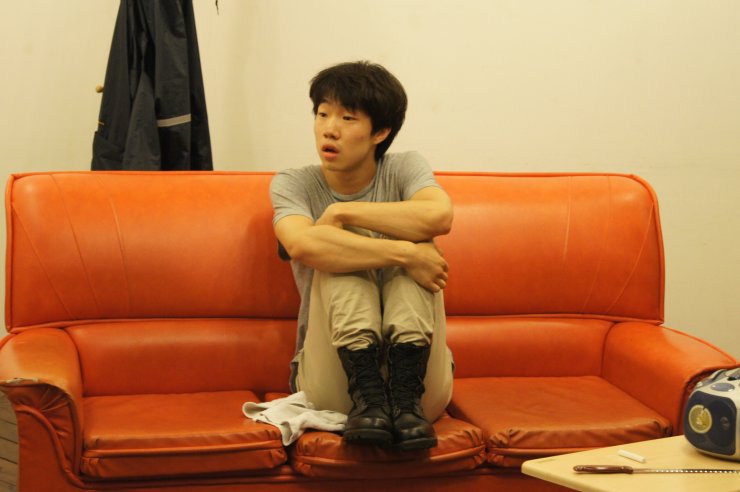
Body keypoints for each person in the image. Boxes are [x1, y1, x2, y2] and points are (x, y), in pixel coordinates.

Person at [269, 61, 454, 451]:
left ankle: (402, 395)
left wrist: (342, 212)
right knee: (339, 245)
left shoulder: (404, 167)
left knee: (418, 237)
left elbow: (439, 216)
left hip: (421, 395)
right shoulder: (294, 182)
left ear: (380, 132)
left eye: (347, 118)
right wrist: (404, 253)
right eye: (322, 114)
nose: (329, 129)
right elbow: (302, 245)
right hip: (337, 387)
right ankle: (369, 393)